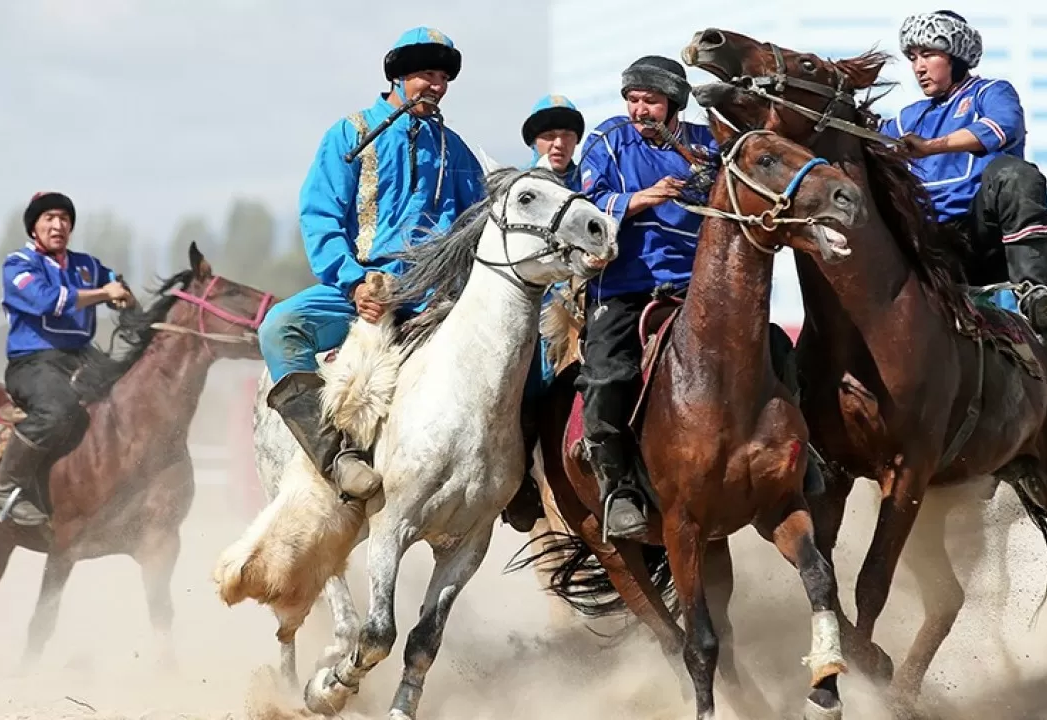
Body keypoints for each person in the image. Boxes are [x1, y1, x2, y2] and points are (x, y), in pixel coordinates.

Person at [257, 26, 485, 500]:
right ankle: (335, 458)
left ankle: (515, 477)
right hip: (360, 291)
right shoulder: (351, 134)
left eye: (444, 77)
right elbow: (320, 215)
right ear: (399, 76)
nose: (438, 86)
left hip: (434, 302)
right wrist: (355, 282)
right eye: (427, 74)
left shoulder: (457, 151)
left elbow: (476, 228)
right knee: (278, 327)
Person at [576, 55, 718, 539]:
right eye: (633, 100)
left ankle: (801, 456)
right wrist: (642, 198)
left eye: (651, 101)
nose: (640, 110)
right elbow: (586, 210)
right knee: (605, 375)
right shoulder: (607, 139)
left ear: (673, 104)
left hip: (698, 285)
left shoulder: (705, 143)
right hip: (624, 284)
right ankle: (617, 488)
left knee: (772, 347)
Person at [878, 10, 1047, 344]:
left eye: (928, 54)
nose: (918, 66)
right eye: (913, 57)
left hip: (984, 238)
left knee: (1013, 173)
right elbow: (868, 140)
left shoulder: (991, 93)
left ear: (955, 57)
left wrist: (931, 147)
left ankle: (1035, 294)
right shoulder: (909, 117)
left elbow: (1004, 127)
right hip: (931, 244)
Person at [0, 192, 136, 528]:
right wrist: (105, 295)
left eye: (64, 219)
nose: (58, 225)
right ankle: (5, 486)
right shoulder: (17, 266)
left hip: (81, 357)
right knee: (57, 410)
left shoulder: (86, 265)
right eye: (49, 218)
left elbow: (115, 282)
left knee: (129, 395)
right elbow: (47, 301)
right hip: (33, 363)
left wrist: (122, 296)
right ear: (34, 227)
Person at [501, 94, 588, 532]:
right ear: (535, 141)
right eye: (549, 135)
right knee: (526, 384)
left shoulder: (593, 182)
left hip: (592, 299)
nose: (558, 143)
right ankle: (519, 484)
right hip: (538, 307)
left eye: (567, 135)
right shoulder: (520, 192)